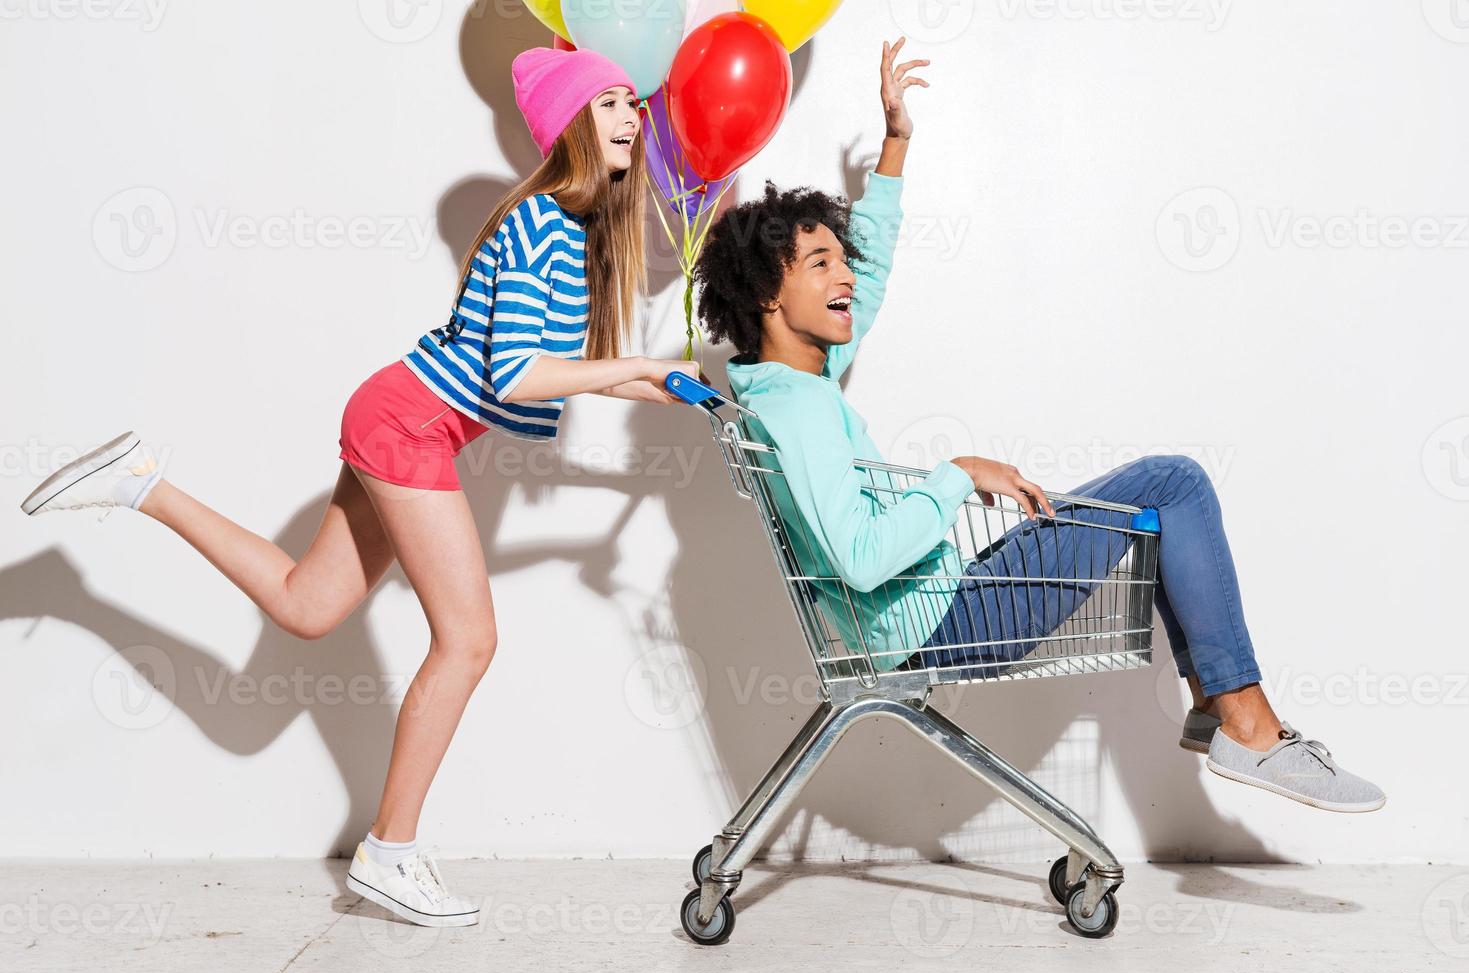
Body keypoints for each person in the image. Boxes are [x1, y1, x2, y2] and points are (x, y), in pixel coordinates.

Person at [20, 46, 700, 927]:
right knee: (469, 641)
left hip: (400, 412)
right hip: (409, 422)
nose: (629, 117)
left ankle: (139, 484)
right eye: (607, 102)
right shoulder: (543, 224)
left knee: (308, 606)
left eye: (631, 103)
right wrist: (634, 362)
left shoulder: (565, 231)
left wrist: (651, 382)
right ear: (570, 123)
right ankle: (391, 851)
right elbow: (518, 372)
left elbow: (550, 368)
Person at [692, 37, 1384, 814]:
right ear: (765, 296)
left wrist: (894, 142)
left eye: (838, 258)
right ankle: (1247, 728)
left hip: (946, 599)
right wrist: (957, 472)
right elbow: (856, 559)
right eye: (818, 264)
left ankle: (1217, 709)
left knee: (1157, 501)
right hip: (948, 618)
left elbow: (872, 270)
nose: (845, 273)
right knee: (1171, 484)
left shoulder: (791, 382)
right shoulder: (801, 409)